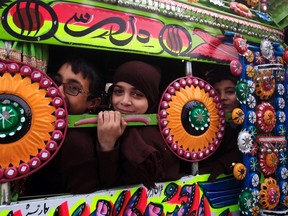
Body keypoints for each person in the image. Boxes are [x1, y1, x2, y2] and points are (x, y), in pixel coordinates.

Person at [25, 57, 114, 195]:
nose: (58, 91)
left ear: (93, 103)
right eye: (56, 81)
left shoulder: (76, 141)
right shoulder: (45, 123)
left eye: (73, 88)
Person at [97, 60, 190, 189]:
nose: (124, 101)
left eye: (137, 94)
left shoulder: (164, 135)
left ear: (151, 98)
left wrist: (107, 146)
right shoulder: (100, 121)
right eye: (118, 92)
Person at [198, 68, 243, 181]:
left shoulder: (249, 125)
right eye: (216, 92)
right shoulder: (204, 123)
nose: (222, 97)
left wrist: (224, 163)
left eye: (229, 91)